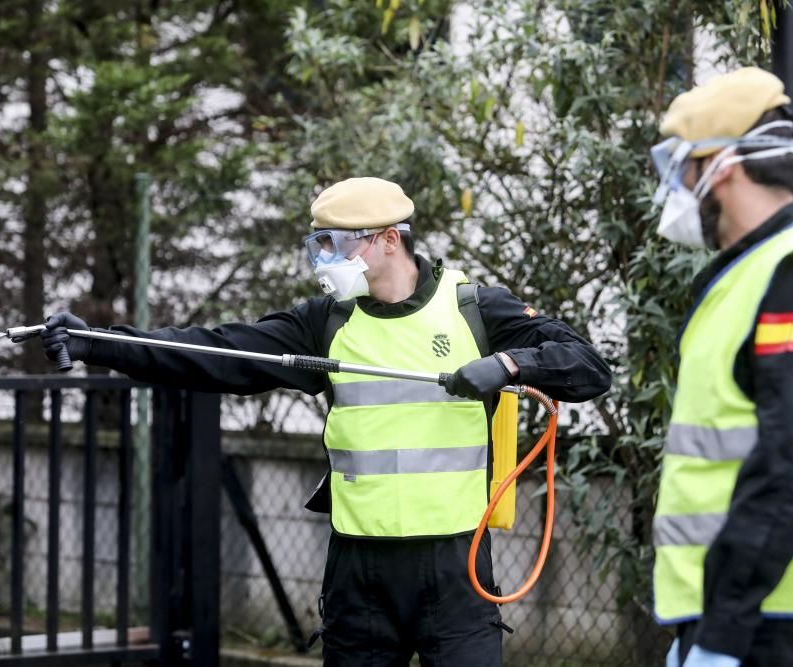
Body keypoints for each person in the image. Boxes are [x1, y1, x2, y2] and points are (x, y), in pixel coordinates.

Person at [41, 176, 611, 666]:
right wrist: (100, 344)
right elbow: (219, 352)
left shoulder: (474, 310)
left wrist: (508, 363)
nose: (325, 260)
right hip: (358, 572)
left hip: (456, 569)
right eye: (318, 244)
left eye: (338, 245)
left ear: (390, 240)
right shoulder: (326, 323)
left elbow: (588, 367)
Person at [649, 67, 793, 667]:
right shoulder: (759, 270)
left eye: (684, 168)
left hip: (775, 625)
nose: (675, 190)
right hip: (749, 616)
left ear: (723, 167)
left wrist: (722, 635)